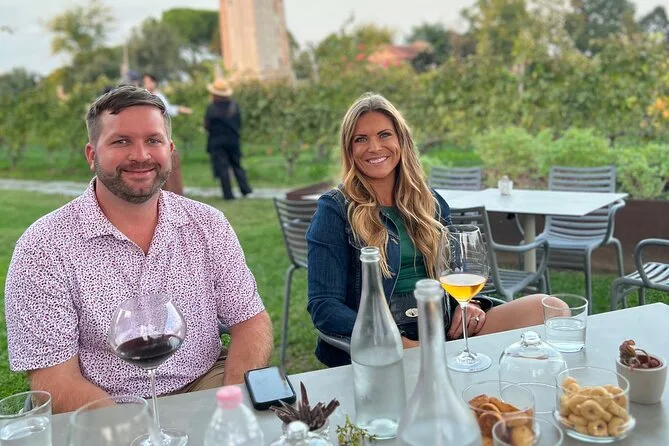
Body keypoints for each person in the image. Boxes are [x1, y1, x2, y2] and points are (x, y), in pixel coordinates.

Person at [4, 86, 272, 413]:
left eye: (153, 140)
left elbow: (250, 321)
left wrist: (230, 408)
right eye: (121, 141)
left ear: (169, 150)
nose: (141, 155)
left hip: (204, 383)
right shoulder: (43, 247)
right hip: (103, 404)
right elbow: (54, 380)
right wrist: (136, 429)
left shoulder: (207, 224)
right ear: (92, 155)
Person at [306, 93, 559, 367]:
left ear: (401, 141)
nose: (375, 147)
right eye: (361, 139)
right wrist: (392, 339)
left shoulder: (430, 201)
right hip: (388, 340)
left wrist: (468, 305)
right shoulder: (335, 209)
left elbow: (456, 271)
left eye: (384, 135)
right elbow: (324, 307)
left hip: (446, 327)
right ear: (349, 149)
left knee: (551, 309)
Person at [143, 72, 191, 196]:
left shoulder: (158, 96)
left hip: (158, 132)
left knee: (167, 158)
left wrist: (180, 109)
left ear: (154, 83)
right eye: (145, 81)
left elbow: (168, 109)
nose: (146, 84)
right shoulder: (143, 96)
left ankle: (171, 191)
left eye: (149, 81)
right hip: (147, 132)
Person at [204, 78, 253, 200]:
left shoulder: (211, 108)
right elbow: (239, 123)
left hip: (217, 142)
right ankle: (245, 190)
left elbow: (207, 126)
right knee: (237, 165)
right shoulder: (234, 106)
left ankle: (228, 194)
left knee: (223, 168)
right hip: (233, 141)